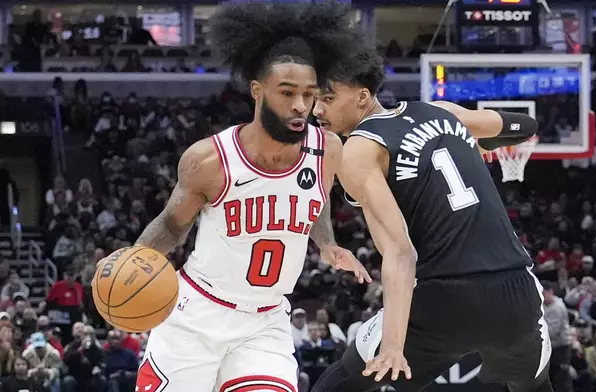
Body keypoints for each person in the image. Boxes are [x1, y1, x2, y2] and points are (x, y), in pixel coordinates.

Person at [126, 3, 369, 392]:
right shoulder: (209, 160)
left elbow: (316, 199)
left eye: (309, 94)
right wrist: (131, 262)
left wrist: (326, 243)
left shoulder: (328, 148)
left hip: (265, 321)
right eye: (287, 92)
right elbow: (172, 226)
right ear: (257, 91)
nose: (300, 106)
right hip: (197, 316)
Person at [311, 48, 552, 392]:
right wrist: (476, 145)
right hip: (515, 290)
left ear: (362, 96)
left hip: (445, 297)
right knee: (533, 382)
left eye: (327, 98)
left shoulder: (361, 150)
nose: (316, 110)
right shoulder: (440, 111)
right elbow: (526, 126)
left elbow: (399, 252)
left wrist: (393, 346)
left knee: (343, 381)